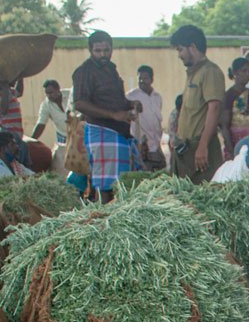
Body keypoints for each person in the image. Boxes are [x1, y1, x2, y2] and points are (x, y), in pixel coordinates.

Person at [72, 30, 136, 201]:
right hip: (102, 132)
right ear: (90, 50)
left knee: (119, 185)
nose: (103, 55)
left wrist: (130, 104)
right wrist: (113, 115)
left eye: (106, 50)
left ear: (111, 49)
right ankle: (105, 221)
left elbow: (114, 99)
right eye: (98, 51)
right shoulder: (85, 71)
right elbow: (79, 103)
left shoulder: (111, 69)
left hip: (119, 134)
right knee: (106, 186)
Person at [169, 25, 224, 183]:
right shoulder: (193, 73)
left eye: (180, 50)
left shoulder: (210, 72)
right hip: (186, 150)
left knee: (203, 200)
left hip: (201, 152)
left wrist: (202, 146)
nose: (179, 55)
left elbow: (214, 108)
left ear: (192, 47)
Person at [220, 56, 249, 156]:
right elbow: (225, 126)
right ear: (235, 73)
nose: (247, 74)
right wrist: (231, 151)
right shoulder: (228, 96)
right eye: (244, 71)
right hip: (237, 144)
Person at [126, 65, 166, 170]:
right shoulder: (131, 97)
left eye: (145, 78)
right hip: (141, 148)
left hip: (156, 146)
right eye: (140, 78)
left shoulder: (157, 97)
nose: (142, 81)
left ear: (152, 79)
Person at [31, 79, 69, 175]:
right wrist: (31, 140)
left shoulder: (70, 95)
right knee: (63, 169)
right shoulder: (46, 105)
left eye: (51, 92)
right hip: (63, 140)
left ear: (58, 90)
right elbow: (41, 124)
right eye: (47, 93)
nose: (49, 96)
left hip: (79, 135)